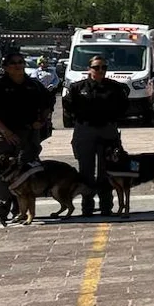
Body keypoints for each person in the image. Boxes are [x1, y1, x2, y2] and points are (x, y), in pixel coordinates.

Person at [0, 51, 55, 222]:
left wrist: (42, 120)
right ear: (5, 67)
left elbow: (48, 104)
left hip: (27, 134)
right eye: (13, 63)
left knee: (27, 171)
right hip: (1, 134)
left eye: (20, 62)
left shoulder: (34, 86)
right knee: (0, 172)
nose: (18, 65)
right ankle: (1, 207)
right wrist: (5, 131)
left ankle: (21, 209)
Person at [63, 54, 130, 216]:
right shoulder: (78, 88)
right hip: (85, 131)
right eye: (96, 67)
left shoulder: (114, 87)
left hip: (107, 131)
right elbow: (68, 106)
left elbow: (123, 107)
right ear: (89, 69)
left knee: (106, 171)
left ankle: (106, 205)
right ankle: (87, 206)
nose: (100, 71)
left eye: (103, 67)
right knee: (85, 170)